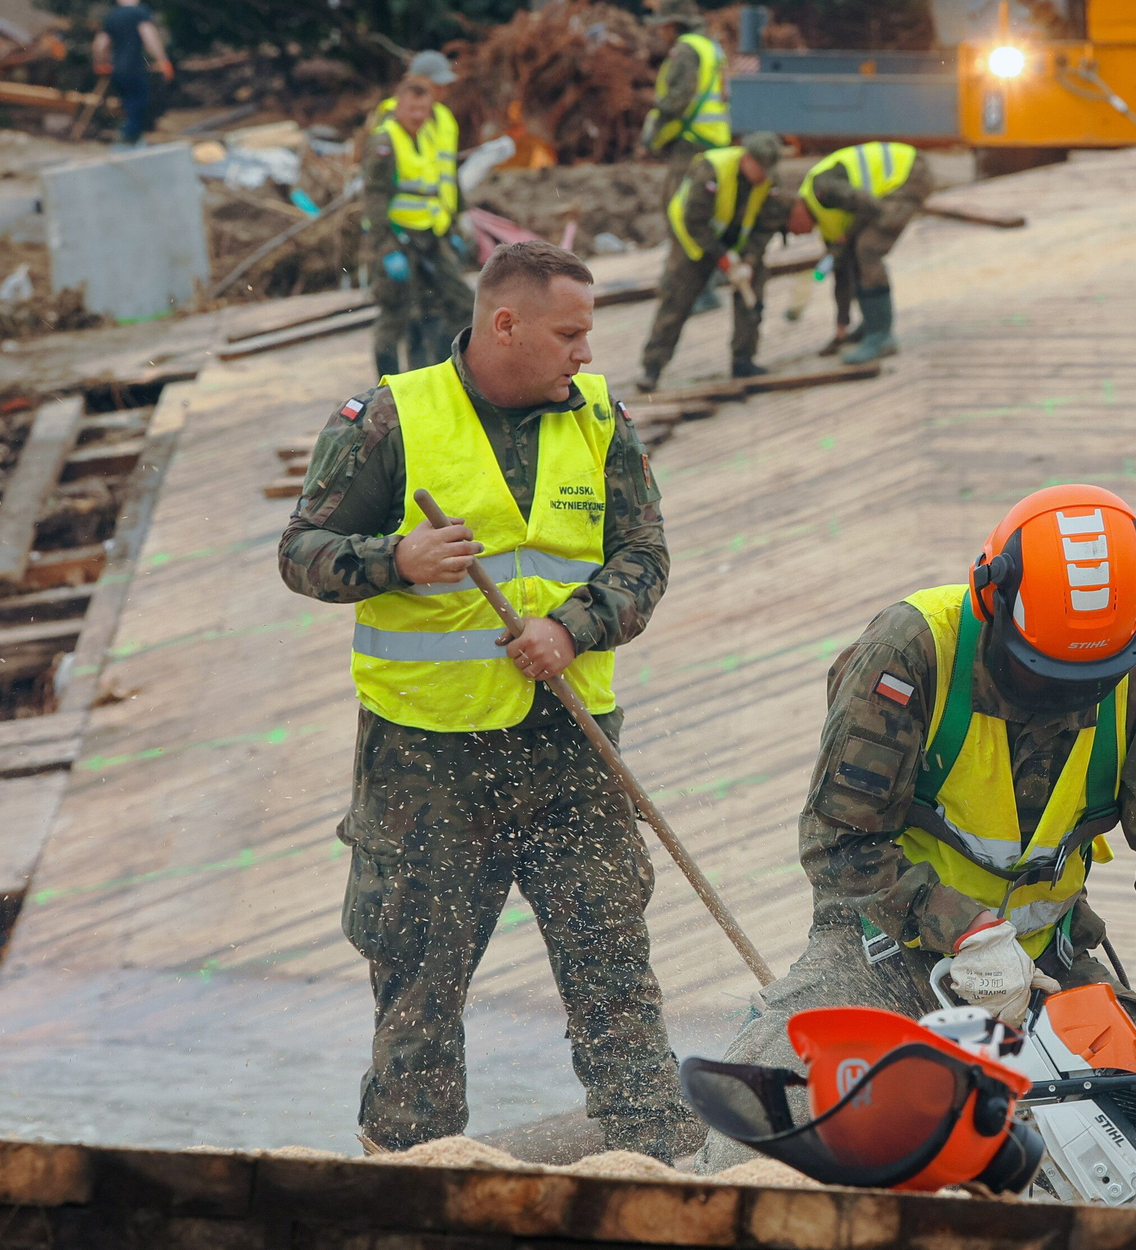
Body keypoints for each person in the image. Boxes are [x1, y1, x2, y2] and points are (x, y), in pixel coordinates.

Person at [692, 485, 1136, 1208]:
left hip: (1049, 963)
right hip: (884, 949)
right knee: (753, 1142)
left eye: (1088, 681)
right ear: (992, 600)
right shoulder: (910, 654)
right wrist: (966, 930)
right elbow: (838, 844)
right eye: (1042, 673)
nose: (1062, 699)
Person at [277, 241, 700, 1160]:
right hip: (427, 760)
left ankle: (657, 1156)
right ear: (505, 325)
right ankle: (412, 1167)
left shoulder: (599, 419)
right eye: (569, 334)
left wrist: (574, 628)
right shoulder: (391, 419)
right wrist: (396, 559)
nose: (586, 352)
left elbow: (645, 556)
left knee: (611, 960)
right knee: (420, 982)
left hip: (570, 749)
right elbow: (301, 552)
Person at [635, 131, 790, 391]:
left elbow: (766, 224)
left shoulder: (770, 180)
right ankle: (652, 366)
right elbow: (693, 220)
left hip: (737, 242)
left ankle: (743, 361)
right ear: (747, 159)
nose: (764, 175)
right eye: (760, 168)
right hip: (694, 240)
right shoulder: (713, 169)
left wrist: (750, 259)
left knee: (752, 296)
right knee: (676, 300)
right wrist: (721, 255)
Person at [362, 51, 476, 378]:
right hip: (399, 235)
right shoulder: (388, 133)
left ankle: (436, 376)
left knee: (441, 307)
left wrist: (455, 221)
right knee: (398, 315)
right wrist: (385, 247)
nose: (419, 113)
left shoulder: (434, 125)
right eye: (413, 107)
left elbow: (443, 176)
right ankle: (388, 388)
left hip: (432, 230)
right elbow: (375, 196)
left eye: (422, 108)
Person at [788, 141, 933, 364]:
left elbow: (869, 206)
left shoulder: (825, 190)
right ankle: (870, 324)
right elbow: (841, 271)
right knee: (855, 252)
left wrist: (852, 233)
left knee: (868, 249)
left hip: (908, 174)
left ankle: (881, 336)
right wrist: (841, 326)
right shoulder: (824, 221)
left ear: (795, 209)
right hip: (890, 185)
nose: (794, 234)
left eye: (789, 227)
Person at [640, 0, 731, 196]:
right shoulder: (709, 47)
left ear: (673, 25)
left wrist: (656, 128)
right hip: (716, 136)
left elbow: (679, 99)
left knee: (677, 202)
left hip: (692, 139)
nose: (660, 33)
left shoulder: (686, 51)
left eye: (662, 27)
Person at [92, 0, 171, 148]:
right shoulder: (139, 12)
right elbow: (149, 38)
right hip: (134, 69)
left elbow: (100, 44)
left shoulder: (112, 16)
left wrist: (100, 63)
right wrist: (162, 60)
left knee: (128, 108)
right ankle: (125, 145)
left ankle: (129, 142)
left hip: (117, 71)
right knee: (138, 108)